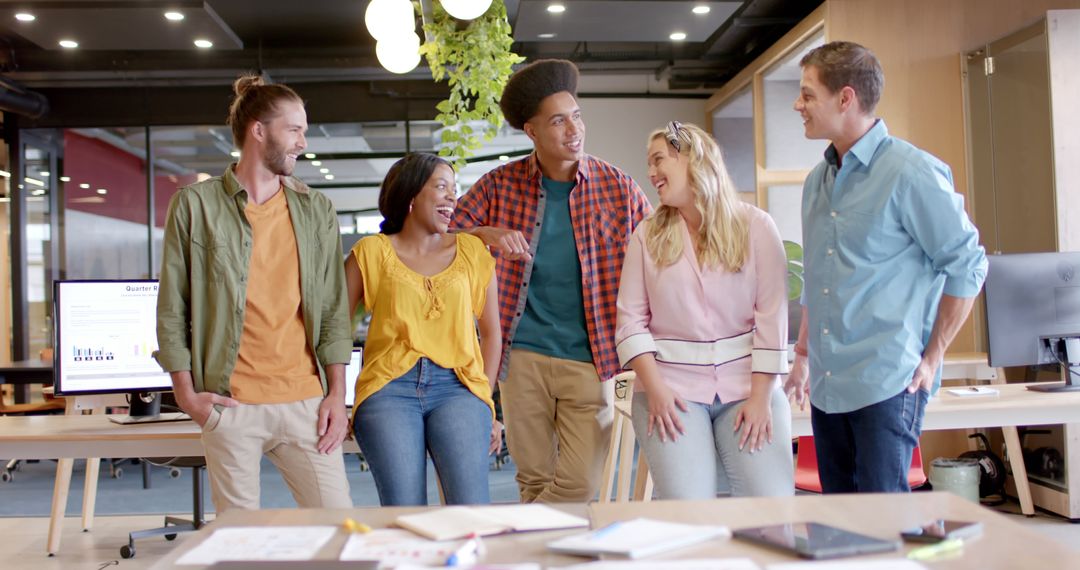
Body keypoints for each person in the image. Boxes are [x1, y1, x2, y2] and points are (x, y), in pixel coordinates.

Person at [785, 41, 988, 493]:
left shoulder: (911, 173)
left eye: (807, 94)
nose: (798, 105)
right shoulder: (818, 181)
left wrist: (934, 356)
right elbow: (819, 281)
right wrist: (801, 358)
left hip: (887, 384)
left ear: (845, 98)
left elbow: (968, 264)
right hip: (827, 385)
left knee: (885, 527)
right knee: (841, 528)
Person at [452, 59, 653, 502]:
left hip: (591, 357)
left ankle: (513, 537)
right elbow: (439, 238)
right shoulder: (498, 186)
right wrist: (485, 234)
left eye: (576, 116)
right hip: (521, 358)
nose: (573, 129)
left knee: (582, 483)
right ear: (531, 132)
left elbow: (658, 261)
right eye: (558, 121)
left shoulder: (618, 187)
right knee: (533, 481)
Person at [155, 75, 353, 512]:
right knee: (239, 544)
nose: (303, 141)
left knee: (338, 527)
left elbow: (336, 311)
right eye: (294, 129)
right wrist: (188, 396)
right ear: (258, 130)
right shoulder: (195, 205)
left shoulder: (315, 209)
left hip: (306, 402)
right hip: (230, 404)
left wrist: (337, 396)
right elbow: (173, 308)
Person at [615, 121, 793, 499]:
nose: (651, 173)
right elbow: (630, 323)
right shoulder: (646, 235)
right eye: (649, 164)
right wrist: (656, 389)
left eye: (659, 160)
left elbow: (772, 317)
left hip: (749, 389)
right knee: (689, 508)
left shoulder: (757, 227)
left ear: (692, 158)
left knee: (772, 505)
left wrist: (762, 398)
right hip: (670, 392)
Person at [346, 153, 502, 506]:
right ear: (411, 194)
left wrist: (485, 401)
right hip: (388, 389)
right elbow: (336, 330)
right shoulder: (370, 252)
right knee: (404, 508)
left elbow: (491, 333)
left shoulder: (472, 251)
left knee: (471, 507)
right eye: (442, 186)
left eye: (454, 189)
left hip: (458, 388)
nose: (452, 197)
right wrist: (335, 397)